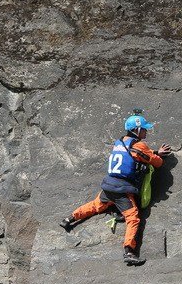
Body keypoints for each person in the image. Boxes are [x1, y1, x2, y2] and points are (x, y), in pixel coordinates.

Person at [60, 112, 173, 265]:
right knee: (133, 217)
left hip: (109, 185)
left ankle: (69, 218)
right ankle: (129, 251)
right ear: (137, 130)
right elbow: (157, 163)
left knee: (95, 205)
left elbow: (136, 152)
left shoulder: (119, 141)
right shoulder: (139, 145)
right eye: (144, 129)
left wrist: (153, 151)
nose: (147, 131)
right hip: (122, 190)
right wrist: (158, 155)